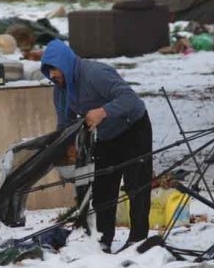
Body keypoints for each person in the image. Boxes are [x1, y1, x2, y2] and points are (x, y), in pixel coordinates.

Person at [40, 39, 153, 253]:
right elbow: (65, 123)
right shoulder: (61, 89)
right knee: (103, 188)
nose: (53, 75)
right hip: (106, 135)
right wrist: (65, 147)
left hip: (134, 128)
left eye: (55, 69)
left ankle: (138, 239)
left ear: (65, 63)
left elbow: (130, 98)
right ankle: (103, 239)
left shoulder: (95, 74)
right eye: (48, 71)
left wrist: (103, 112)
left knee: (136, 186)